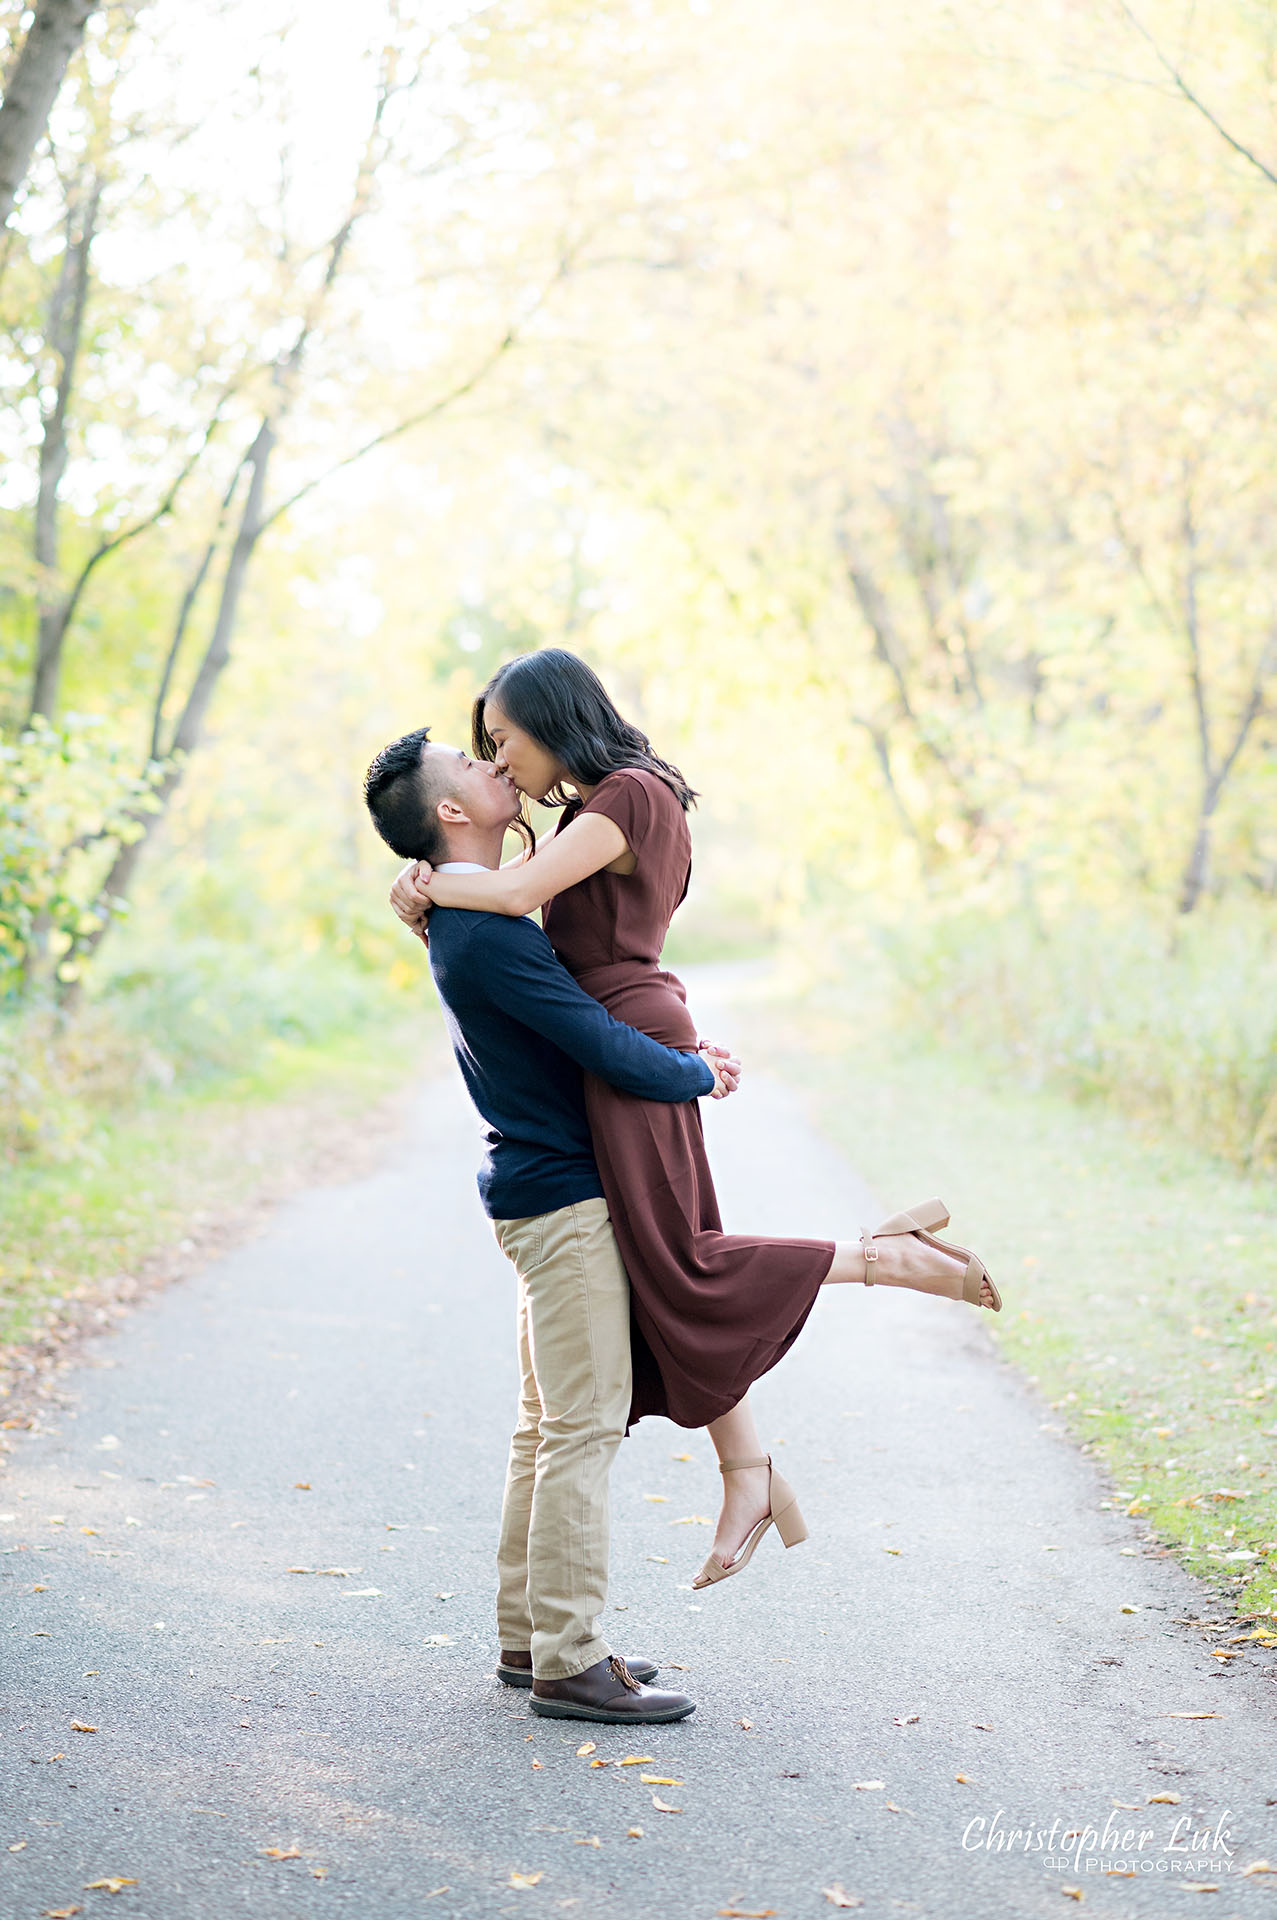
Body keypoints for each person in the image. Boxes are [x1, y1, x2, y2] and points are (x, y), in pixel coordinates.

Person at [389, 650, 1001, 1592]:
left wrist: (427, 884)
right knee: (664, 1262)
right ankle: (747, 1469)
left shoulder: (625, 798)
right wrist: (426, 894)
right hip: (626, 1029)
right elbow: (509, 902)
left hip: (626, 1034)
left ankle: (884, 1259)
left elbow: (510, 899)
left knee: (677, 1261)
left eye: (503, 740)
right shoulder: (606, 806)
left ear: (553, 718)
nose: (501, 763)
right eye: (484, 755)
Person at [364, 726, 739, 1723]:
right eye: (476, 765)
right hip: (564, 1200)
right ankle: (571, 1658)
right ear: (451, 813)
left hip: (536, 1194)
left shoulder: (471, 916)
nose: (499, 769)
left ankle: (530, 1638)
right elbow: (595, 1042)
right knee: (579, 1427)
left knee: (544, 1427)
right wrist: (698, 1070)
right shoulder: (485, 930)